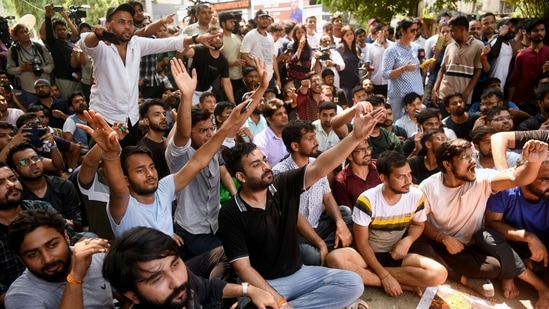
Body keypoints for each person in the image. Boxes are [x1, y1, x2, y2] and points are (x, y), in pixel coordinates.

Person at [218, 105, 385, 309]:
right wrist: (278, 301)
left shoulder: (281, 184)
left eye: (264, 160)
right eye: (256, 165)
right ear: (241, 177)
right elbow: (243, 268)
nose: (265, 166)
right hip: (263, 283)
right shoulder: (230, 212)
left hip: (299, 273)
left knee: (353, 283)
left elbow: (320, 166)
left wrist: (356, 137)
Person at [414, 138, 548, 298]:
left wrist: (533, 163)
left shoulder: (483, 179)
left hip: (467, 247)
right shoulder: (428, 187)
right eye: (465, 157)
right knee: (417, 244)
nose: (473, 161)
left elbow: (515, 178)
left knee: (492, 267)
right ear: (447, 165)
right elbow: (420, 222)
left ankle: (446, 269)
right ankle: (459, 277)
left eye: (473, 155)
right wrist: (442, 238)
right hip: (437, 241)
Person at [77, 3, 213, 146]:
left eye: (130, 22)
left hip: (131, 119)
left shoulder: (136, 43)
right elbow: (85, 42)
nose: (128, 26)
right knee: (103, 164)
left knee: (128, 162)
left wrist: (197, 39)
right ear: (109, 25)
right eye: (121, 22)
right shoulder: (100, 46)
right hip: (104, 118)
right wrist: (97, 35)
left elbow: (168, 43)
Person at [326, 151, 448, 296]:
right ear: (384, 178)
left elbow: (418, 225)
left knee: (439, 274)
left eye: (409, 174)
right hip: (366, 255)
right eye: (400, 177)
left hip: (395, 254)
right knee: (334, 259)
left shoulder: (416, 196)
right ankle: (401, 284)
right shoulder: (367, 200)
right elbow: (362, 243)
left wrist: (407, 241)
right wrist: (384, 277)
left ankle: (366, 275)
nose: (408, 181)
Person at [102, 226, 276, 308]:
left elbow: (209, 288)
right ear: (133, 295)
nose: (176, 281)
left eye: (175, 264)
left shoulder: (183, 283)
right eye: (157, 278)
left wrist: (250, 290)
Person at [0, 162, 81, 307]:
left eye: (12, 178)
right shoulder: (20, 294)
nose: (10, 184)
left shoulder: (39, 207)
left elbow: (73, 237)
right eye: (0, 183)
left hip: (67, 273)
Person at [272, 119, 353, 266]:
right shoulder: (280, 172)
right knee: (312, 257)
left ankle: (328, 252)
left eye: (314, 136)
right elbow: (294, 216)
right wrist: (320, 243)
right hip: (296, 233)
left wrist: (340, 222)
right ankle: (329, 252)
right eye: (310, 139)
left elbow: (328, 197)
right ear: (295, 146)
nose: (316, 141)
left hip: (318, 223)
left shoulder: (316, 163)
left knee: (345, 213)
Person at [5, 209, 114, 309]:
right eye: (33, 254)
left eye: (52, 245)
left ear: (66, 237)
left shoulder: (96, 257)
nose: (48, 259)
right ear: (20, 259)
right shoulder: (19, 296)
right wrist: (75, 276)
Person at [485, 154, 549, 308]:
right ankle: (540, 286)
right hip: (512, 246)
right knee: (485, 236)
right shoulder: (506, 192)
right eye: (545, 179)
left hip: (543, 253)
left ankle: (511, 271)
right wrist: (528, 237)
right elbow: (492, 222)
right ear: (526, 176)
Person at [7, 142, 83, 231]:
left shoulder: (63, 185)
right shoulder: (16, 194)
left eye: (35, 158)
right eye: (24, 162)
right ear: (14, 171)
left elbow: (78, 223)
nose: (33, 163)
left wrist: (70, 223)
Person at [432, 16, 484, 106]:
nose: (450, 34)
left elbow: (478, 72)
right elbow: (442, 70)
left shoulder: (478, 46)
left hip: (462, 97)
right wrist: (435, 89)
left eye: (452, 31)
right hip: (444, 95)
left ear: (462, 29)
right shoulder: (450, 46)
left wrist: (467, 92)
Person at [382, 18, 424, 120]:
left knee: (416, 122)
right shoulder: (391, 50)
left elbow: (421, 68)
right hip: (399, 95)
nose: (415, 33)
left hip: (416, 94)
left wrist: (425, 65)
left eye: (416, 30)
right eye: (412, 30)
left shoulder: (417, 47)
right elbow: (385, 74)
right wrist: (403, 69)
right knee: (397, 124)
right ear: (402, 31)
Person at [6, 24, 54, 107]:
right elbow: (9, 69)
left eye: (26, 31)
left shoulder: (39, 47)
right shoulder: (14, 51)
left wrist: (42, 69)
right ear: (17, 36)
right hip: (28, 90)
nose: (25, 34)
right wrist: (22, 68)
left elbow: (51, 64)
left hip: (45, 88)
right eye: (21, 32)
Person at [183, 26, 235, 104]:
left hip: (207, 92)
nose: (218, 39)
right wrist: (195, 41)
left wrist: (233, 103)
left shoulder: (223, 60)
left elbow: (226, 83)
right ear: (208, 37)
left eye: (220, 36)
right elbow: (184, 51)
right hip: (192, 91)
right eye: (214, 36)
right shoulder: (199, 50)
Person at [508, 19, 549, 105]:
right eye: (535, 30)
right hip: (522, 100)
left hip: (544, 101)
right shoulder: (521, 55)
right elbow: (515, 80)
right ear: (528, 33)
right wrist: (510, 102)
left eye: (542, 30)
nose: (539, 33)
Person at [240, 9, 281, 89]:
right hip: (256, 78)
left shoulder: (270, 38)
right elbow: (243, 55)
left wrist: (278, 77)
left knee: (271, 100)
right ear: (256, 20)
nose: (265, 20)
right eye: (262, 18)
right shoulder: (250, 36)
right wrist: (256, 68)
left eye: (266, 18)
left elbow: (273, 58)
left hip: (270, 77)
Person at [336, 25, 361, 103]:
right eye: (347, 35)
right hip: (344, 82)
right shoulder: (340, 48)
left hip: (356, 80)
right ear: (343, 37)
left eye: (351, 34)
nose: (350, 36)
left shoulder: (357, 48)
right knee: (346, 103)